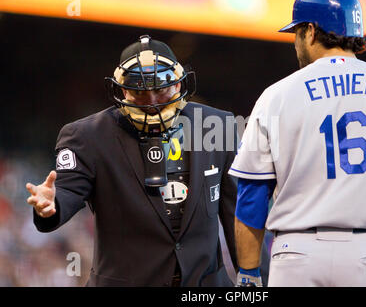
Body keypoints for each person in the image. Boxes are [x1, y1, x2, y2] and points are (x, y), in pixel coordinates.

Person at [229, 0, 366, 287]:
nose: (294, 42)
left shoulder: (275, 97)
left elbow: (251, 196)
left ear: (310, 31)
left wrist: (249, 274)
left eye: (296, 32)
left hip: (295, 257)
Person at [25, 35, 269, 286]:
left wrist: (257, 276)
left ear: (178, 84)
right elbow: (66, 191)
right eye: (140, 92)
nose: (152, 102)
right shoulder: (87, 136)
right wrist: (51, 204)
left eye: (160, 89)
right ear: (122, 90)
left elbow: (238, 212)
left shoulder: (216, 126)